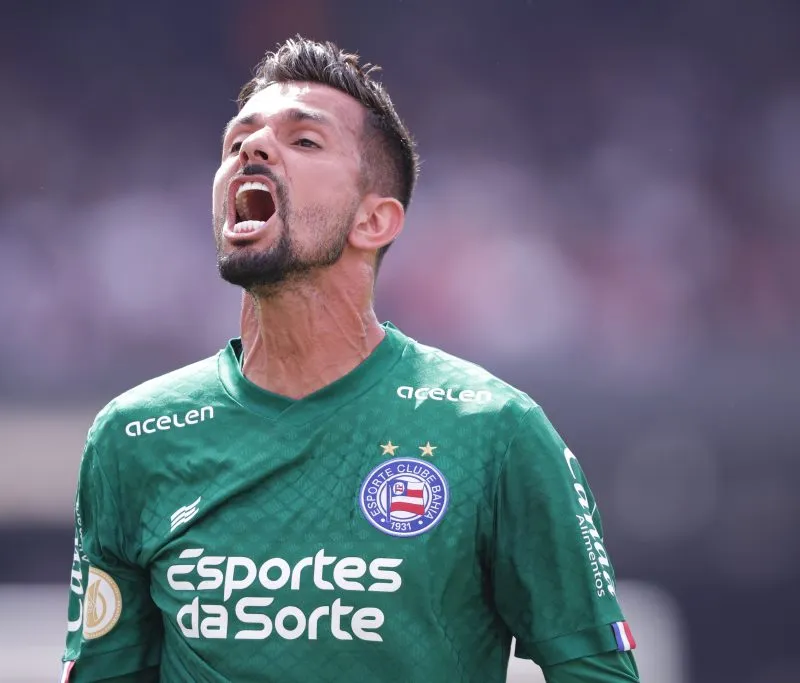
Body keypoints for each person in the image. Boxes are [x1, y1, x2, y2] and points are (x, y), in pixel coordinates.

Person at [60, 36, 640, 683]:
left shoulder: (493, 430)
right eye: (236, 142)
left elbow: (599, 673)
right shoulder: (133, 437)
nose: (252, 149)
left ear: (375, 221)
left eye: (304, 141)